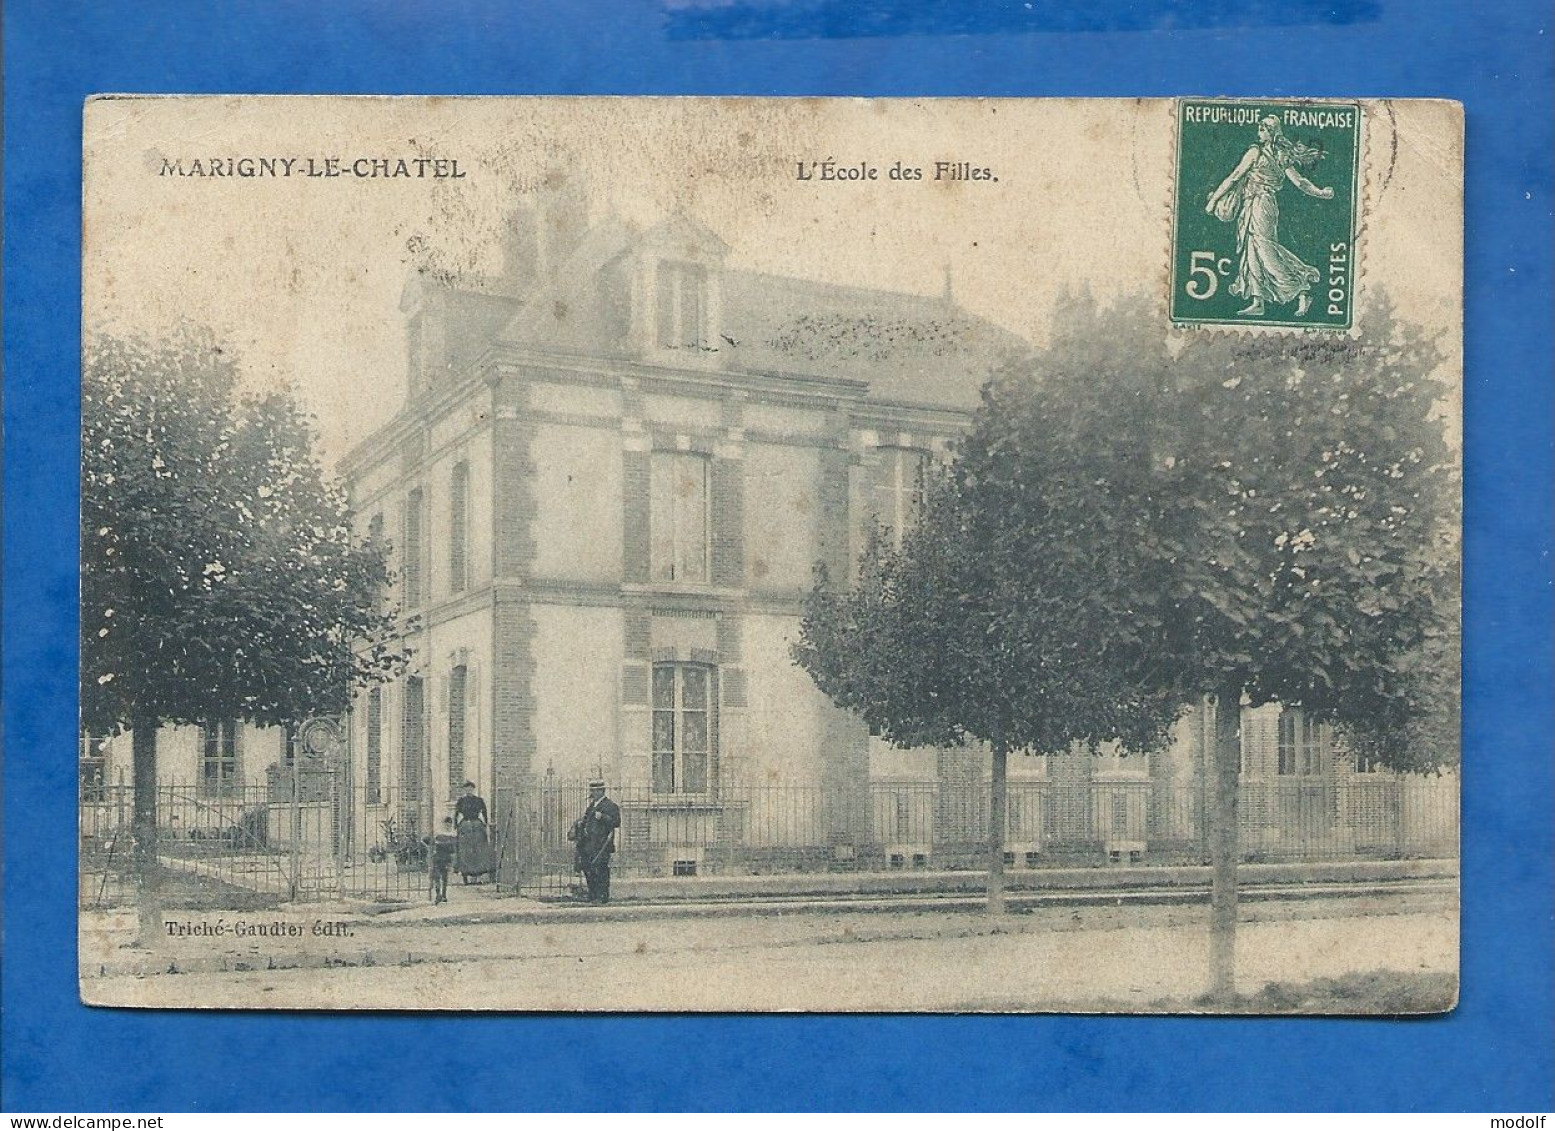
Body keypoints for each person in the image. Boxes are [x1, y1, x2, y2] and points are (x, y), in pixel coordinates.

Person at [1205, 115, 1335, 318]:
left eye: (1263, 128)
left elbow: (1235, 177)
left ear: (1271, 132)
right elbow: (1299, 182)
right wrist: (1320, 192)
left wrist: (1214, 201)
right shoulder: (1276, 154)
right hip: (1254, 204)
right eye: (1260, 127)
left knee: (1265, 249)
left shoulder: (1257, 153)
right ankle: (1258, 301)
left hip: (1262, 204)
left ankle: (1301, 288)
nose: (1259, 130)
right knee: (1252, 250)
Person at [567, 779, 621, 904]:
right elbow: (587, 820)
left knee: (601, 870)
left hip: (602, 844)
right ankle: (593, 894)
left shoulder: (610, 805)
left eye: (595, 791)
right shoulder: (592, 805)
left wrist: (603, 817)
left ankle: (602, 896)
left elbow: (616, 822)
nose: (593, 793)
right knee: (588, 869)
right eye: (592, 790)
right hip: (588, 844)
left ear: (602, 791)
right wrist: (581, 823)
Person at [453, 780, 495, 884]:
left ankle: (477, 875)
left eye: (471, 789)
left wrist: (485, 823)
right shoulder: (461, 801)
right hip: (465, 826)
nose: (469, 791)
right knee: (465, 850)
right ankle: (465, 875)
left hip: (477, 826)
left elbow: (484, 812)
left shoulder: (479, 800)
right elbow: (456, 813)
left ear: (473, 789)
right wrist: (456, 825)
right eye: (467, 789)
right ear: (464, 790)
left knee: (478, 850)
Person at [424, 817, 458, 904]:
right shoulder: (438, 834)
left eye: (449, 824)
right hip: (438, 857)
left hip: (446, 858)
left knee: (444, 878)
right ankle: (438, 894)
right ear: (444, 824)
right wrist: (432, 845)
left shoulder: (452, 834)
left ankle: (443, 895)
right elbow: (426, 840)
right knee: (437, 877)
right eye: (447, 824)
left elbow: (454, 848)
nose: (448, 826)